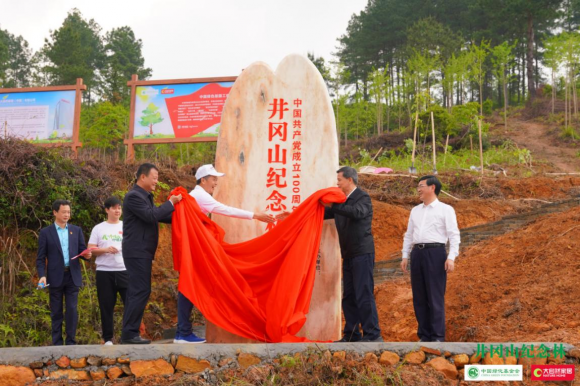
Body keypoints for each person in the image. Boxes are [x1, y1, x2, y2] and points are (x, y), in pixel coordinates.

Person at [173, 164, 275, 344]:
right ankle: (183, 333)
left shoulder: (196, 195)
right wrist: (255, 215)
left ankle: (183, 332)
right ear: (203, 180)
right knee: (189, 286)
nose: (215, 183)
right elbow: (224, 209)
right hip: (195, 248)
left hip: (195, 247)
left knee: (189, 286)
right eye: (213, 179)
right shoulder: (199, 195)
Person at [121, 163, 182, 344]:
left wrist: (182, 215)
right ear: (142, 177)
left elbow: (158, 215)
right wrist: (171, 202)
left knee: (140, 290)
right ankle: (129, 334)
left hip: (142, 251)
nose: (157, 180)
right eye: (154, 177)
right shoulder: (133, 196)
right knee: (139, 290)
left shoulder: (145, 197)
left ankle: (130, 333)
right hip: (136, 251)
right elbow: (151, 215)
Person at [321, 166, 382, 342]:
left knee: (363, 293)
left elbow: (357, 213)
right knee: (349, 295)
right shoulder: (342, 201)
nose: (337, 184)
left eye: (339, 180)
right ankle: (352, 334)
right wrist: (296, 215)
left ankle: (372, 334)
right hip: (348, 254)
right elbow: (323, 213)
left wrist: (335, 205)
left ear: (350, 180)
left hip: (362, 253)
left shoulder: (362, 197)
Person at [400, 175, 460, 342]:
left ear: (432, 188)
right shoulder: (415, 210)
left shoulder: (446, 209)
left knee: (435, 296)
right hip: (417, 254)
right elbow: (409, 235)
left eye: (421, 186)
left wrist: (451, 257)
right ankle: (424, 335)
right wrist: (405, 255)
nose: (418, 189)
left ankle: (437, 336)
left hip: (436, 253)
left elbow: (454, 235)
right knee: (419, 297)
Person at [36, 199, 92, 346]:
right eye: (64, 212)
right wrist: (42, 275)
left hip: (72, 275)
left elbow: (82, 251)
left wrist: (87, 256)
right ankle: (57, 343)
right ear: (55, 212)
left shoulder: (76, 230)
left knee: (72, 309)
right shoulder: (46, 233)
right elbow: (41, 258)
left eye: (68, 212)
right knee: (56, 311)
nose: (67, 214)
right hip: (54, 277)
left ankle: (71, 342)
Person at [88, 197, 127, 345]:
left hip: (124, 270)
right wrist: (105, 250)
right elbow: (90, 249)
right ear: (107, 210)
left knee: (130, 303)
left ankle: (128, 335)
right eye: (114, 208)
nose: (117, 210)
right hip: (104, 271)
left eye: (119, 208)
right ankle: (108, 338)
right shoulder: (99, 228)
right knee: (106, 305)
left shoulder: (126, 226)